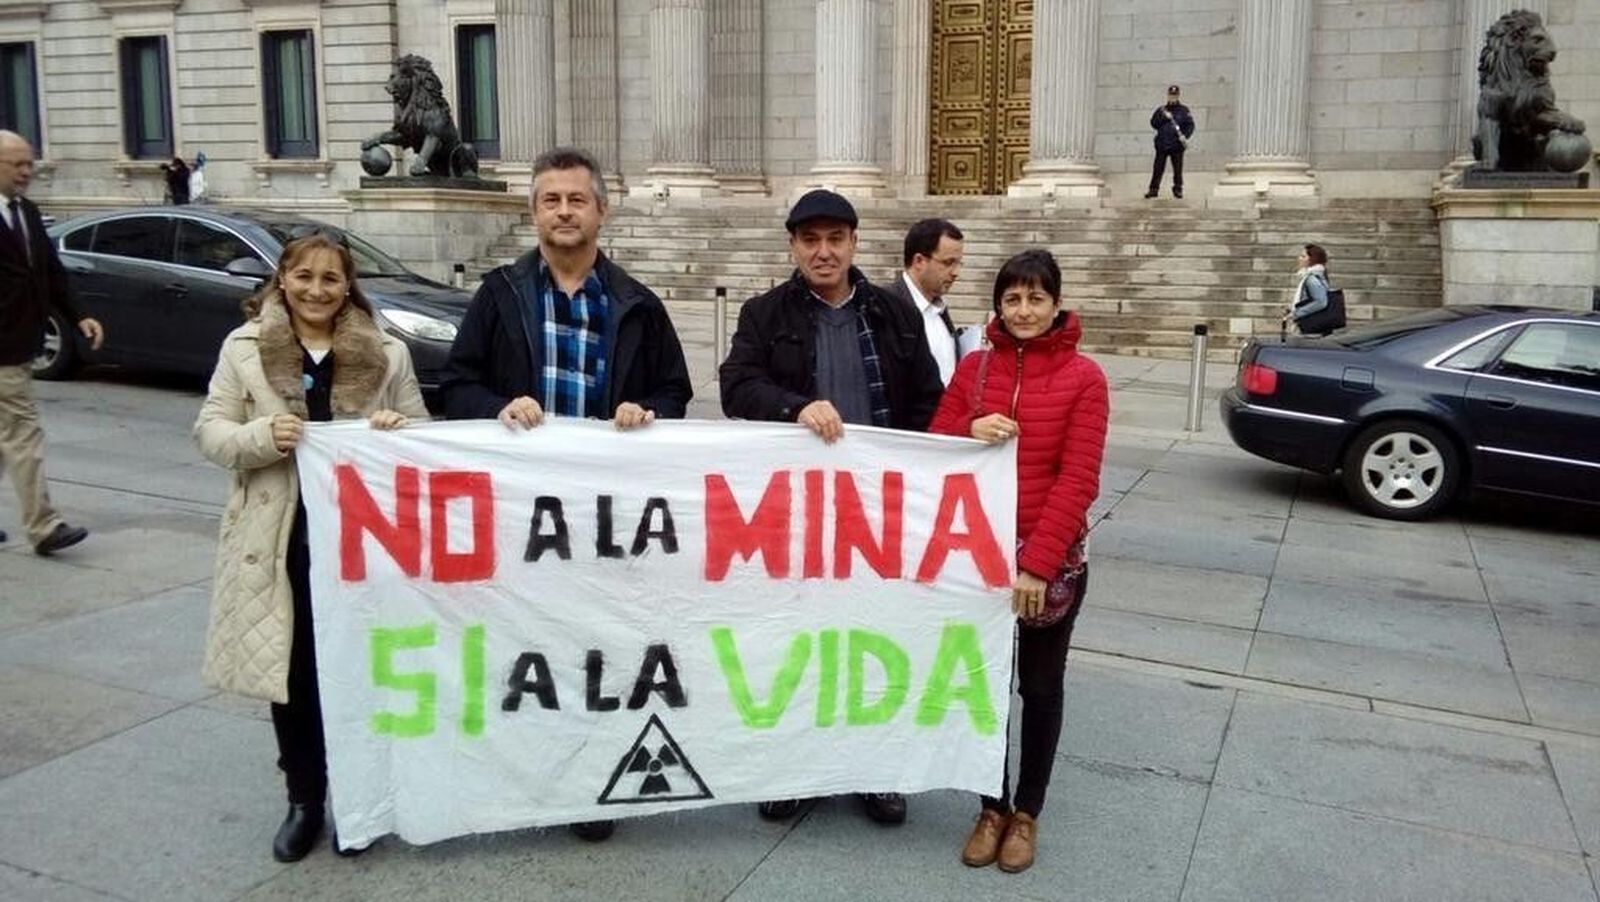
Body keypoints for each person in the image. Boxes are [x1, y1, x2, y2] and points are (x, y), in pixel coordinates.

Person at [440, 146, 691, 841]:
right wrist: (497, 407)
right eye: (551, 200)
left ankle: (590, 783)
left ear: (601, 211)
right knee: (529, 646)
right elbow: (454, 385)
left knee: (599, 648)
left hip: (606, 519)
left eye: (576, 199)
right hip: (525, 515)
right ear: (533, 213)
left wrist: (647, 412)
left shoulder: (637, 302)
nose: (564, 211)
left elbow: (675, 391)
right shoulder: (499, 295)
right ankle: (534, 774)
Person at [194, 231, 428, 862]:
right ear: (283, 280)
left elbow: (425, 436)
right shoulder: (243, 349)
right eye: (304, 277)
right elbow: (211, 433)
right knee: (294, 674)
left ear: (347, 285)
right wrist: (264, 435)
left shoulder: (388, 355)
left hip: (363, 544)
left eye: (331, 279)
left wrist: (394, 431)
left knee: (361, 668)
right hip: (281, 537)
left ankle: (361, 795)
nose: (317, 290)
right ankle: (304, 797)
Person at [719, 189, 944, 827]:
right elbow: (737, 386)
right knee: (799, 645)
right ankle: (794, 770)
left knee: (874, 642)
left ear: (853, 242)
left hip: (878, 510)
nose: (824, 251)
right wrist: (795, 406)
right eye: (810, 240)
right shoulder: (765, 314)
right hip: (798, 513)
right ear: (793, 246)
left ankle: (875, 771)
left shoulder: (894, 315)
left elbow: (929, 401)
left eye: (835, 239)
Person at [928, 249, 1108, 875]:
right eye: (1013, 299)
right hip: (976, 558)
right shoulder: (974, 368)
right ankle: (990, 804)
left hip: (1047, 560)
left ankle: (1026, 812)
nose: (1024, 310)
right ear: (998, 306)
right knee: (985, 690)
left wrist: (1036, 562)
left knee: (1041, 686)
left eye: (1036, 298)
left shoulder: (1085, 378)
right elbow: (935, 442)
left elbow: (1078, 477)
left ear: (1056, 303)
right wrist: (968, 429)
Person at [0, 129, 104, 553]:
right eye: (18, 164)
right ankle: (44, 527)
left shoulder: (25, 210)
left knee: (6, 435)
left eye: (30, 163)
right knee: (24, 434)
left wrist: (81, 316)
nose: (28, 172)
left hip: (22, 343)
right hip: (2, 350)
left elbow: (51, 271)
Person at [885, 218, 965, 386]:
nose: (956, 272)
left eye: (958, 263)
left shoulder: (939, 310)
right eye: (948, 263)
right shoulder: (885, 306)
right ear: (919, 261)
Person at [1145, 84, 1195, 199]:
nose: (1173, 97)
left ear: (1178, 96)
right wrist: (1164, 117)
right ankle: (1153, 189)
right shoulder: (1161, 110)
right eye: (1171, 95)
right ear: (1168, 96)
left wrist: (1185, 136)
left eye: (1175, 95)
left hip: (1176, 145)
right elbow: (1153, 123)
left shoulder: (1184, 110)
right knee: (1158, 168)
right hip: (1162, 144)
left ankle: (1178, 189)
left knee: (1177, 169)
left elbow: (1190, 125)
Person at [1285, 243, 1331, 333]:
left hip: (1310, 325)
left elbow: (1321, 302)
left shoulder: (1312, 278)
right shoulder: (1314, 276)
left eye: (1303, 256)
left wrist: (1297, 313)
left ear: (1312, 259)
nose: (1299, 259)